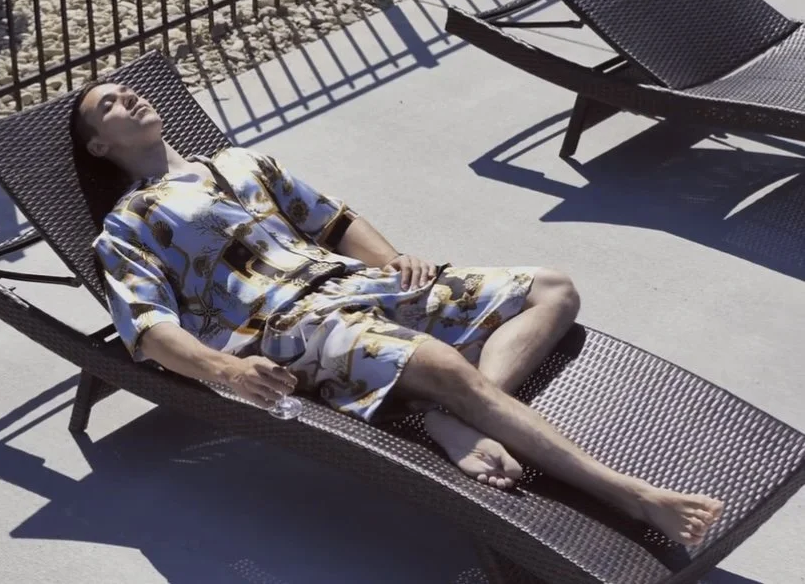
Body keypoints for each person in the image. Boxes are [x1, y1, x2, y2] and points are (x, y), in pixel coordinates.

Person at [71, 79, 723, 546]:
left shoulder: (241, 161)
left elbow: (334, 219)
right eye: (109, 104)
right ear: (100, 146)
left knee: (551, 288)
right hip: (293, 324)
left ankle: (449, 414)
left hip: (357, 285)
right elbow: (148, 330)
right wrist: (226, 371)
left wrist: (392, 262)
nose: (127, 97)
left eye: (128, 90)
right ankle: (636, 498)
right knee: (441, 362)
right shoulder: (127, 227)